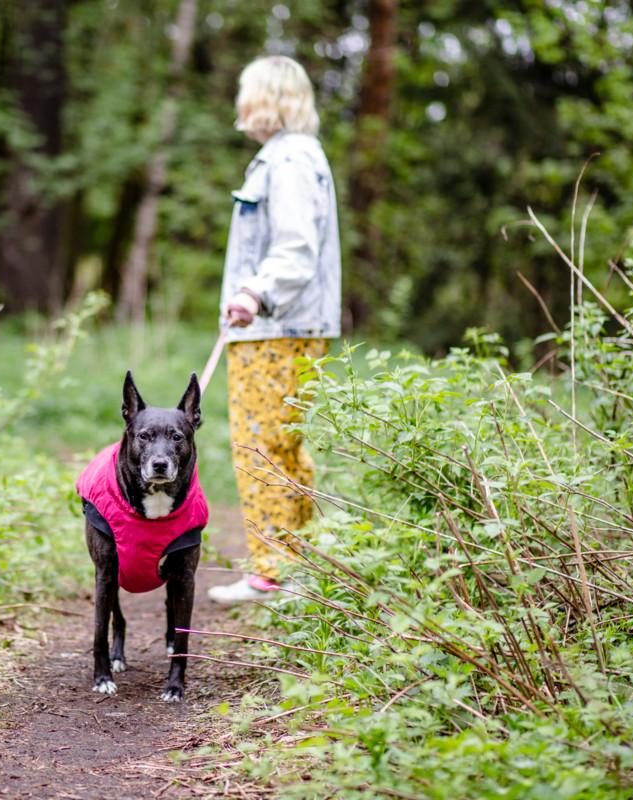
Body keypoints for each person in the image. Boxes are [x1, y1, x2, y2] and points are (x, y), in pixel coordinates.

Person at [207, 55, 341, 605]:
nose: (241, 106)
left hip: (275, 326)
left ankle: (274, 573)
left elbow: (295, 248)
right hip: (289, 325)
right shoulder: (293, 157)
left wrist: (254, 292)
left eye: (247, 93)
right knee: (283, 445)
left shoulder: (287, 161)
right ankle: (297, 567)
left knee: (261, 445)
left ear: (269, 98)